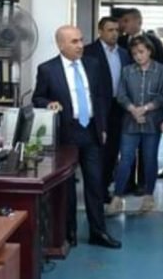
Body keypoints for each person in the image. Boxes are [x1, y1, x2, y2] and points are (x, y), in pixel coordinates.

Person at [32, 25, 121, 249]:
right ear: (60, 44)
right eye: (74, 42)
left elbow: (100, 97)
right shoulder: (47, 69)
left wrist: (102, 126)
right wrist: (48, 103)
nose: (80, 45)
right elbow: (38, 98)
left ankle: (98, 232)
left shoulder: (93, 65)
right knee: (67, 187)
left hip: (90, 130)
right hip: (66, 133)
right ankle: (68, 233)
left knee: (95, 183)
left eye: (81, 40)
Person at [107, 35, 163, 214]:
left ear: (149, 51)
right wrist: (133, 110)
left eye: (141, 52)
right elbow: (121, 95)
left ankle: (148, 197)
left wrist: (146, 108)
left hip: (152, 121)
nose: (138, 56)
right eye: (134, 53)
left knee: (150, 159)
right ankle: (117, 197)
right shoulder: (127, 71)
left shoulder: (162, 71)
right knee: (125, 159)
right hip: (130, 122)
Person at [83, 17, 132, 203]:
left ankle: (104, 189)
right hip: (98, 108)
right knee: (98, 152)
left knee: (113, 150)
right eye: (110, 30)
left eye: (117, 30)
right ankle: (96, 191)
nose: (114, 34)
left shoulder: (124, 53)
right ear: (100, 31)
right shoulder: (89, 52)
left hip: (119, 107)